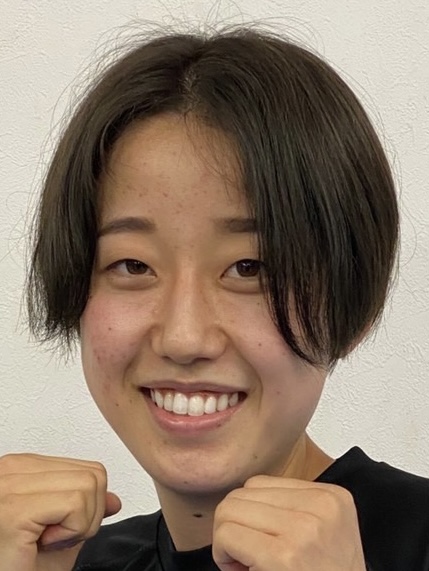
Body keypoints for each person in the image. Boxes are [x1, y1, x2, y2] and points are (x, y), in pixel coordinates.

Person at [0, 24, 428, 571]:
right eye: (133, 265)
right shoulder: (65, 559)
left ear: (354, 304)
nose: (184, 338)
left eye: (250, 268)